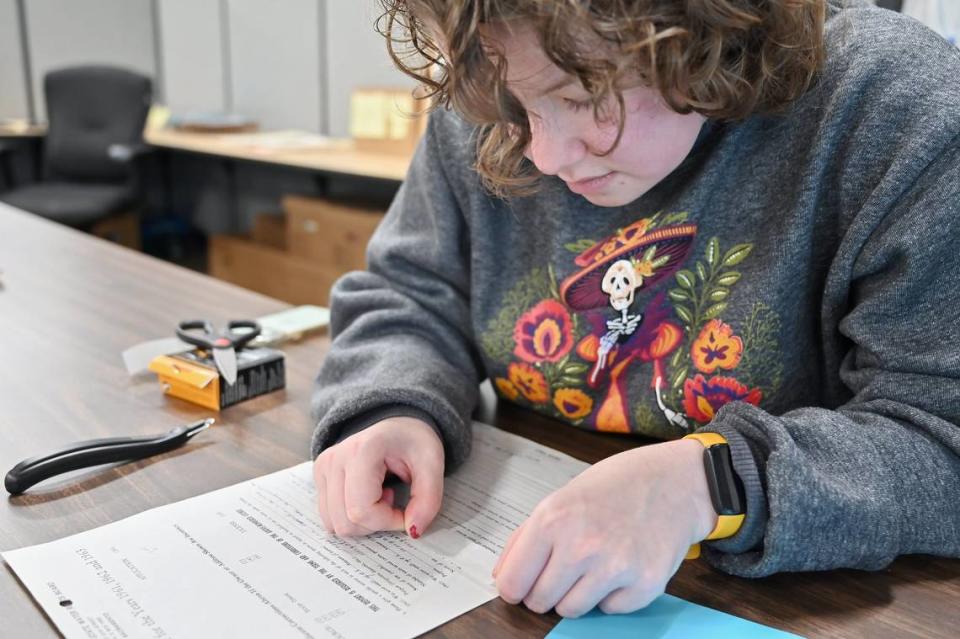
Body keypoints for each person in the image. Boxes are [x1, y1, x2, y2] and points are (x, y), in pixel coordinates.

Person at [311, 0, 960, 618]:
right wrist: (390, 403)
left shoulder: (899, 113)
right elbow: (408, 293)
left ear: (707, 32)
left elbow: (941, 438)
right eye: (516, 109)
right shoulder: (497, 69)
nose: (543, 154)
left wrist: (709, 482)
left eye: (580, 98)